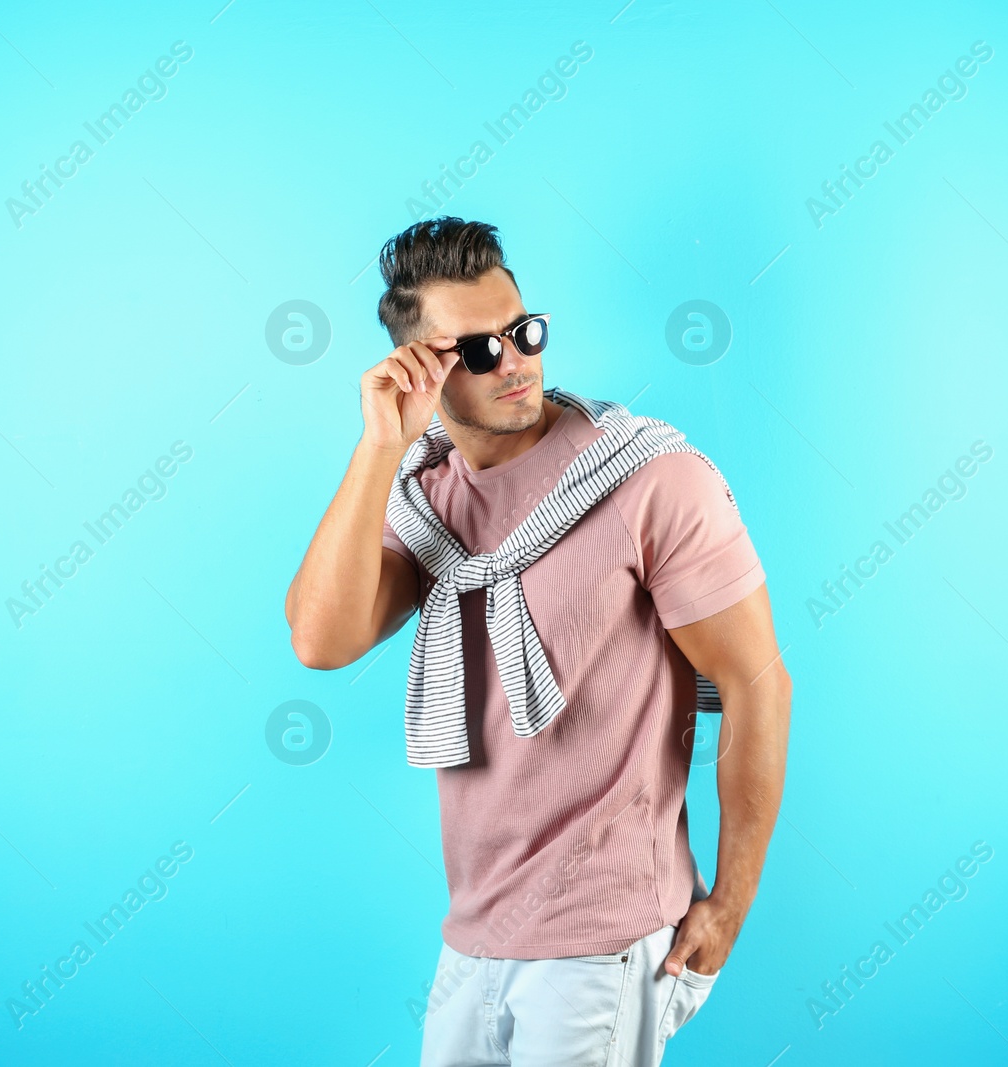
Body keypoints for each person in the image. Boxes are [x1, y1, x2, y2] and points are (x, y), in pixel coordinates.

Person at [285, 217, 791, 1066]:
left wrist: (731, 901)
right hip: (473, 936)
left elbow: (756, 683)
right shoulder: (426, 498)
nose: (514, 360)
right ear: (423, 367)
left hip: (603, 940)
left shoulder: (650, 477)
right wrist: (381, 447)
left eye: (524, 332)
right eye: (476, 350)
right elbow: (321, 641)